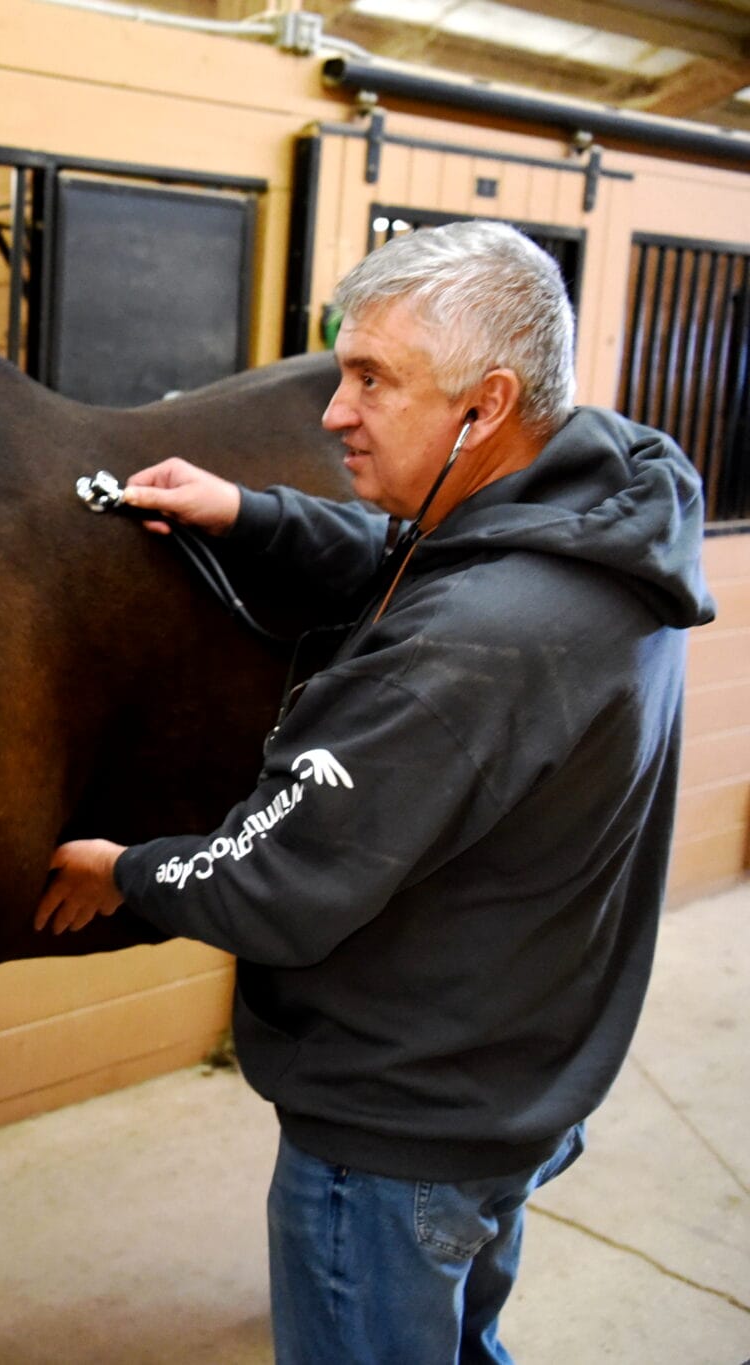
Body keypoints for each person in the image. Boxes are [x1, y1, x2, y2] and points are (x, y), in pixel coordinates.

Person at [36, 221, 714, 1364]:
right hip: (515, 1076)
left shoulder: (469, 652)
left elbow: (271, 880)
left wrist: (121, 869)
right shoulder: (601, 528)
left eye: (370, 379)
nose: (331, 411)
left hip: (396, 1134)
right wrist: (251, 514)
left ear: (484, 405)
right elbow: (423, 564)